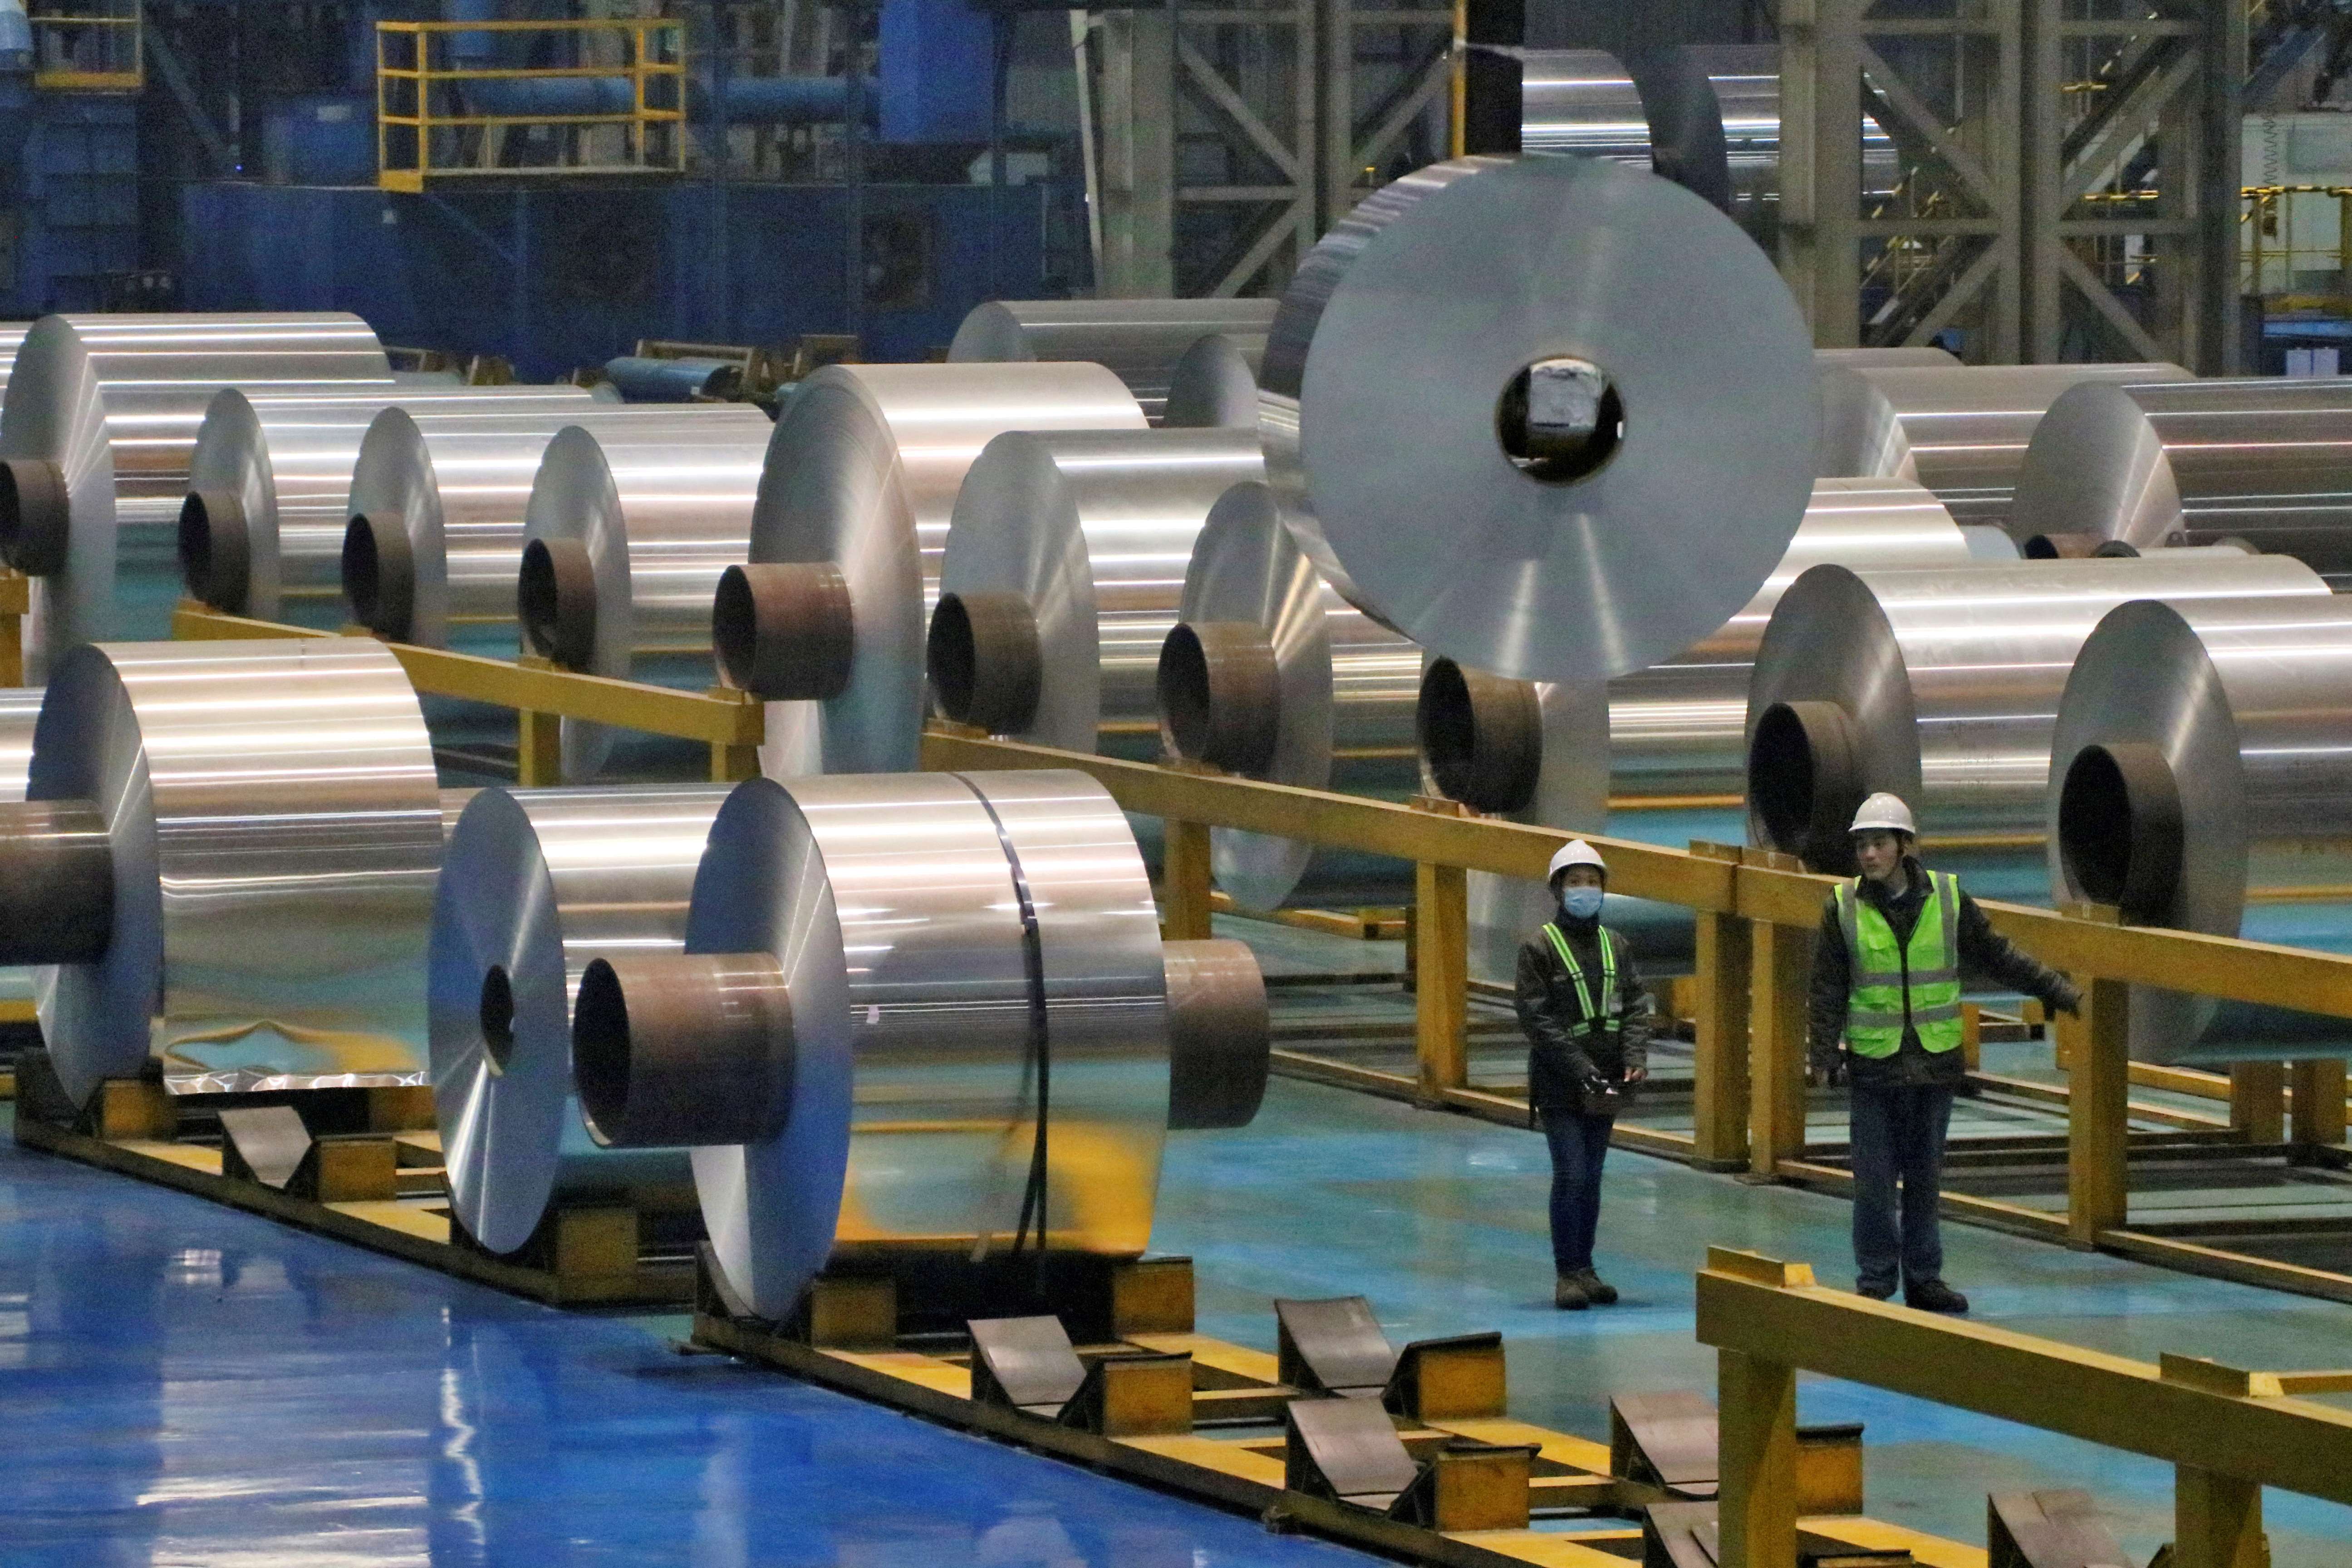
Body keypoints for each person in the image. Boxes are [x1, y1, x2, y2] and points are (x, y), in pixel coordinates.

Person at [1808, 793, 2081, 1312]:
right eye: (1861, 845)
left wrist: (2054, 988)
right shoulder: (1841, 906)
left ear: (1904, 846)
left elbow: (1997, 954)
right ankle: (1875, 1279)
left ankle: (1923, 1278)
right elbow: (1826, 985)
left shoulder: (1949, 898)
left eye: (1878, 843)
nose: (1868, 855)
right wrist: (1822, 1051)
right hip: (1875, 1064)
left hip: (1933, 1065)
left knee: (1925, 1181)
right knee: (1871, 1184)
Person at [1515, 840, 1650, 1310]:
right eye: (1575, 882)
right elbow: (1537, 1020)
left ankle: (1586, 1268)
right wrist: (1581, 1069)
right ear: (1558, 889)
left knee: (1591, 1175)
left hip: (1606, 1084)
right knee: (1570, 1172)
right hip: (1559, 1085)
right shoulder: (1538, 949)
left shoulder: (1617, 946)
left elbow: (1634, 1005)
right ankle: (1566, 1272)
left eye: (1591, 882)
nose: (1584, 890)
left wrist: (1633, 1056)